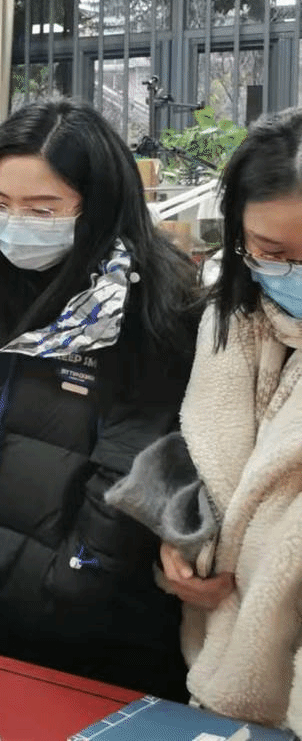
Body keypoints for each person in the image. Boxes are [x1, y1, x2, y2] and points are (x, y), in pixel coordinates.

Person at [0, 100, 202, 698]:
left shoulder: (144, 304)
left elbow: (130, 470)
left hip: (96, 629)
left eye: (41, 209)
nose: (14, 225)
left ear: (97, 205)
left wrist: (70, 583)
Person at [131, 109, 302, 731]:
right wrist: (181, 540)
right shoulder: (228, 327)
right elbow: (204, 458)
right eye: (272, 253)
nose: (294, 273)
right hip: (217, 671)